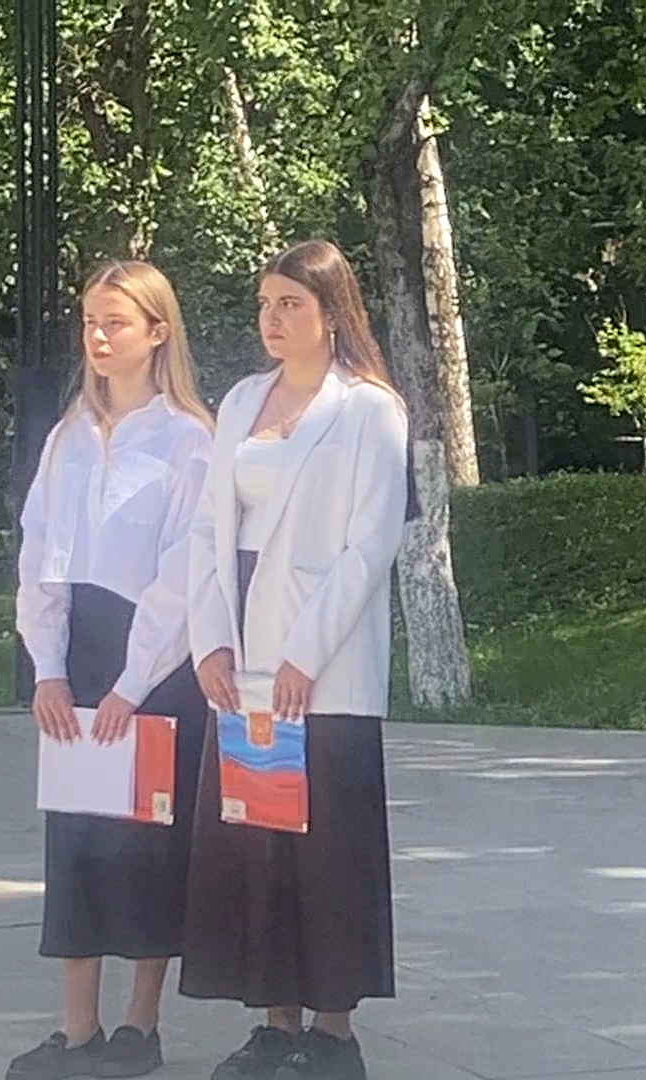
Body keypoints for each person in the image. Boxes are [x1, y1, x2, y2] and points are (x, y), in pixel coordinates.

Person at [179, 239, 408, 1080]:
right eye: (266, 303)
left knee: (328, 847)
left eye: (291, 305)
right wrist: (210, 639)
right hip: (242, 661)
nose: (273, 320)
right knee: (257, 842)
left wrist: (305, 653)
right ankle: (274, 1021)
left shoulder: (369, 409)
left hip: (327, 668)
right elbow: (209, 530)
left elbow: (369, 543)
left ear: (331, 313)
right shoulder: (241, 401)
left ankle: (333, 1030)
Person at [8, 260, 216, 1080]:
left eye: (115, 323)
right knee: (77, 839)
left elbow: (184, 576)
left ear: (157, 332)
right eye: (89, 322)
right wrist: (47, 668)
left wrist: (133, 684)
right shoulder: (66, 439)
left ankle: (140, 1023)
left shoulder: (187, 440)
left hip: (153, 663)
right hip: (78, 657)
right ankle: (77, 1027)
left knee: (142, 843)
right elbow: (40, 554)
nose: (97, 337)